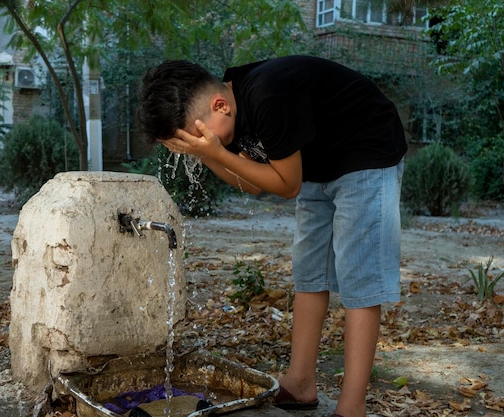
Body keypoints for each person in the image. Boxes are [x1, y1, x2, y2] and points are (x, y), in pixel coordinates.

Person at [137, 55, 407, 417]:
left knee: (360, 279)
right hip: (318, 163)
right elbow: (251, 184)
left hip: (367, 151)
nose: (197, 146)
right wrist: (210, 154)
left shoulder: (268, 95)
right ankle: (300, 382)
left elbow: (287, 186)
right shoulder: (227, 115)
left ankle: (351, 406)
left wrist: (214, 151)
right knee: (309, 274)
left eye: (196, 140)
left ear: (219, 105)